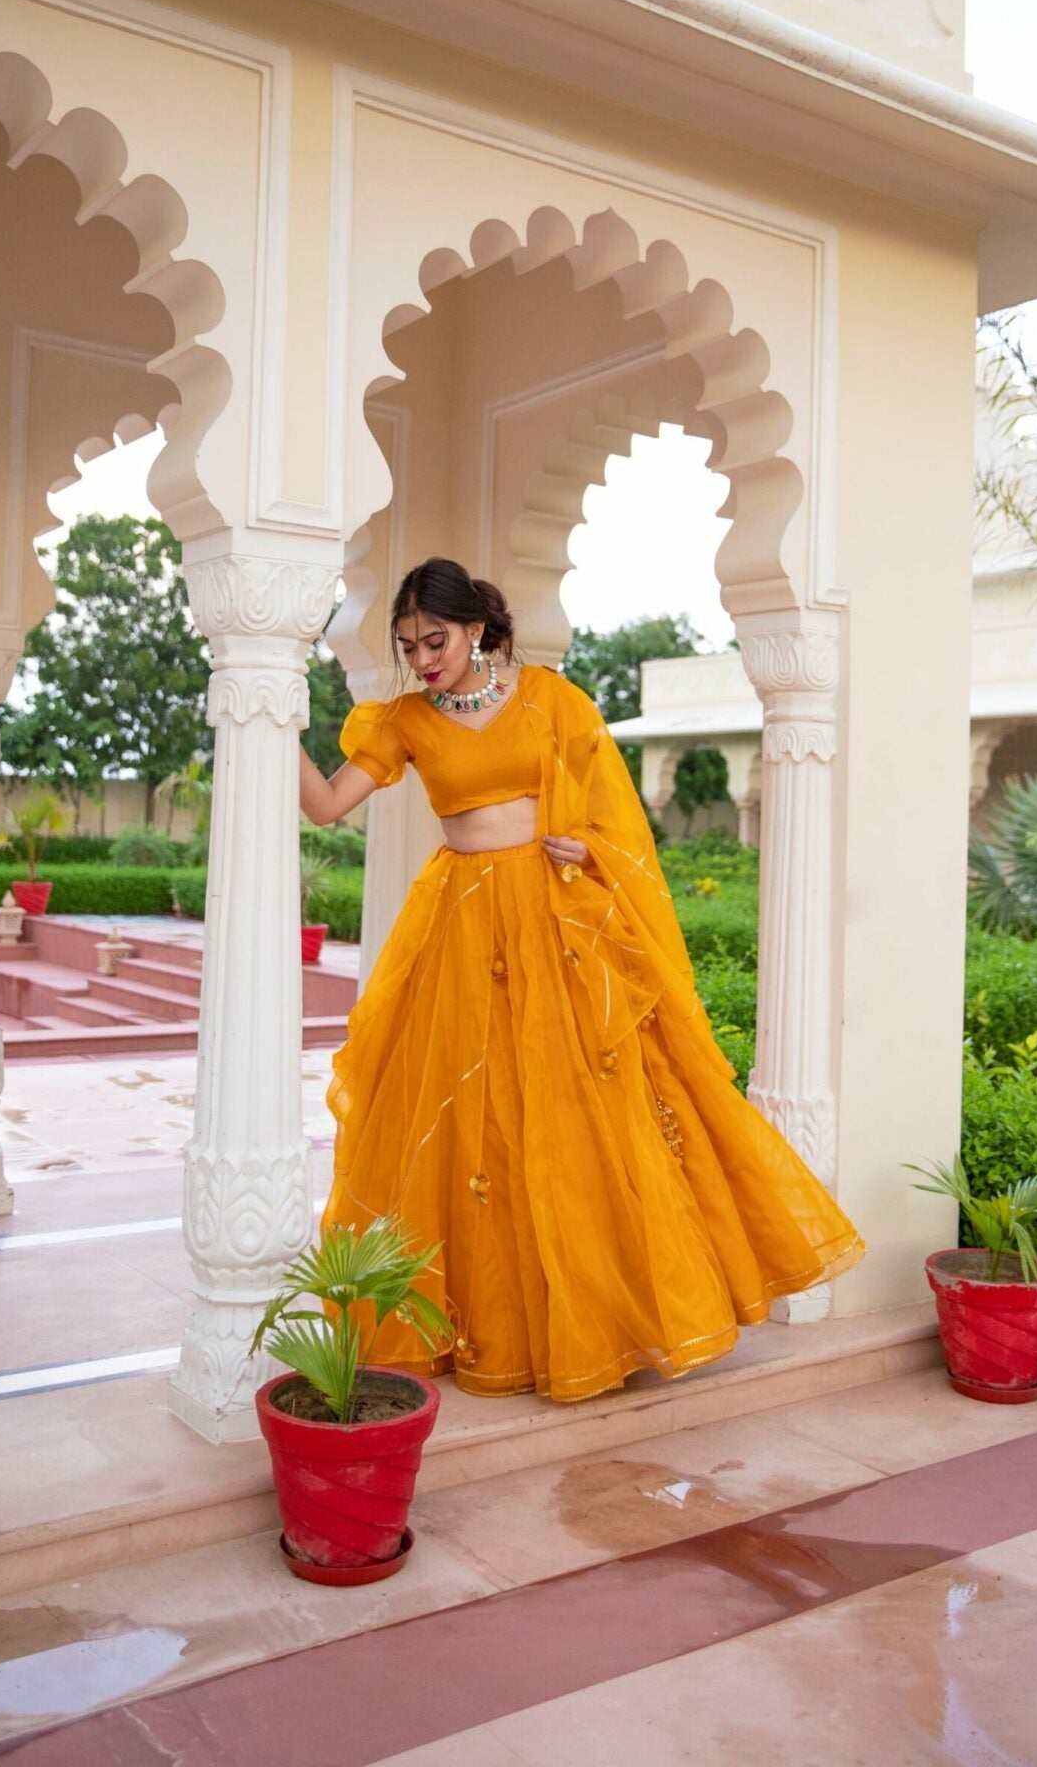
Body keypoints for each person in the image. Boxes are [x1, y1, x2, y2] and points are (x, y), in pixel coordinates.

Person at [299, 558, 863, 1402]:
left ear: (477, 629)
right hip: (460, 931)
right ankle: (490, 1330)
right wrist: (270, 713)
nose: (423, 661)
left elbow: (615, 815)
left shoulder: (552, 700)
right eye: (409, 646)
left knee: (575, 1113)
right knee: (470, 1121)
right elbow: (326, 804)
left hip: (554, 920)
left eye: (435, 641)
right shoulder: (407, 720)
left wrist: (588, 847)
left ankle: (607, 1322)